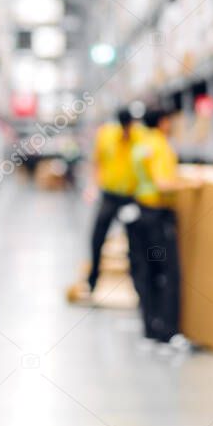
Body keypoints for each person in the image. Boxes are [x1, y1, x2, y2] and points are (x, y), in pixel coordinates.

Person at [129, 107, 186, 343]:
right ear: (162, 122)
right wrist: (190, 184)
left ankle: (150, 327)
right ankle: (168, 331)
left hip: (142, 214)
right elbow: (163, 183)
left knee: (149, 271)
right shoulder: (161, 146)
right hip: (159, 219)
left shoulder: (141, 145)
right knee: (169, 272)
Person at [82, 107, 145, 295]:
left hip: (130, 198)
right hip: (109, 195)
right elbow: (97, 161)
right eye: (125, 126)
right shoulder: (106, 135)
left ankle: (138, 286)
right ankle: (92, 280)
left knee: (135, 243)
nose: (128, 130)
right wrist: (93, 185)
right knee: (97, 238)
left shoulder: (140, 137)